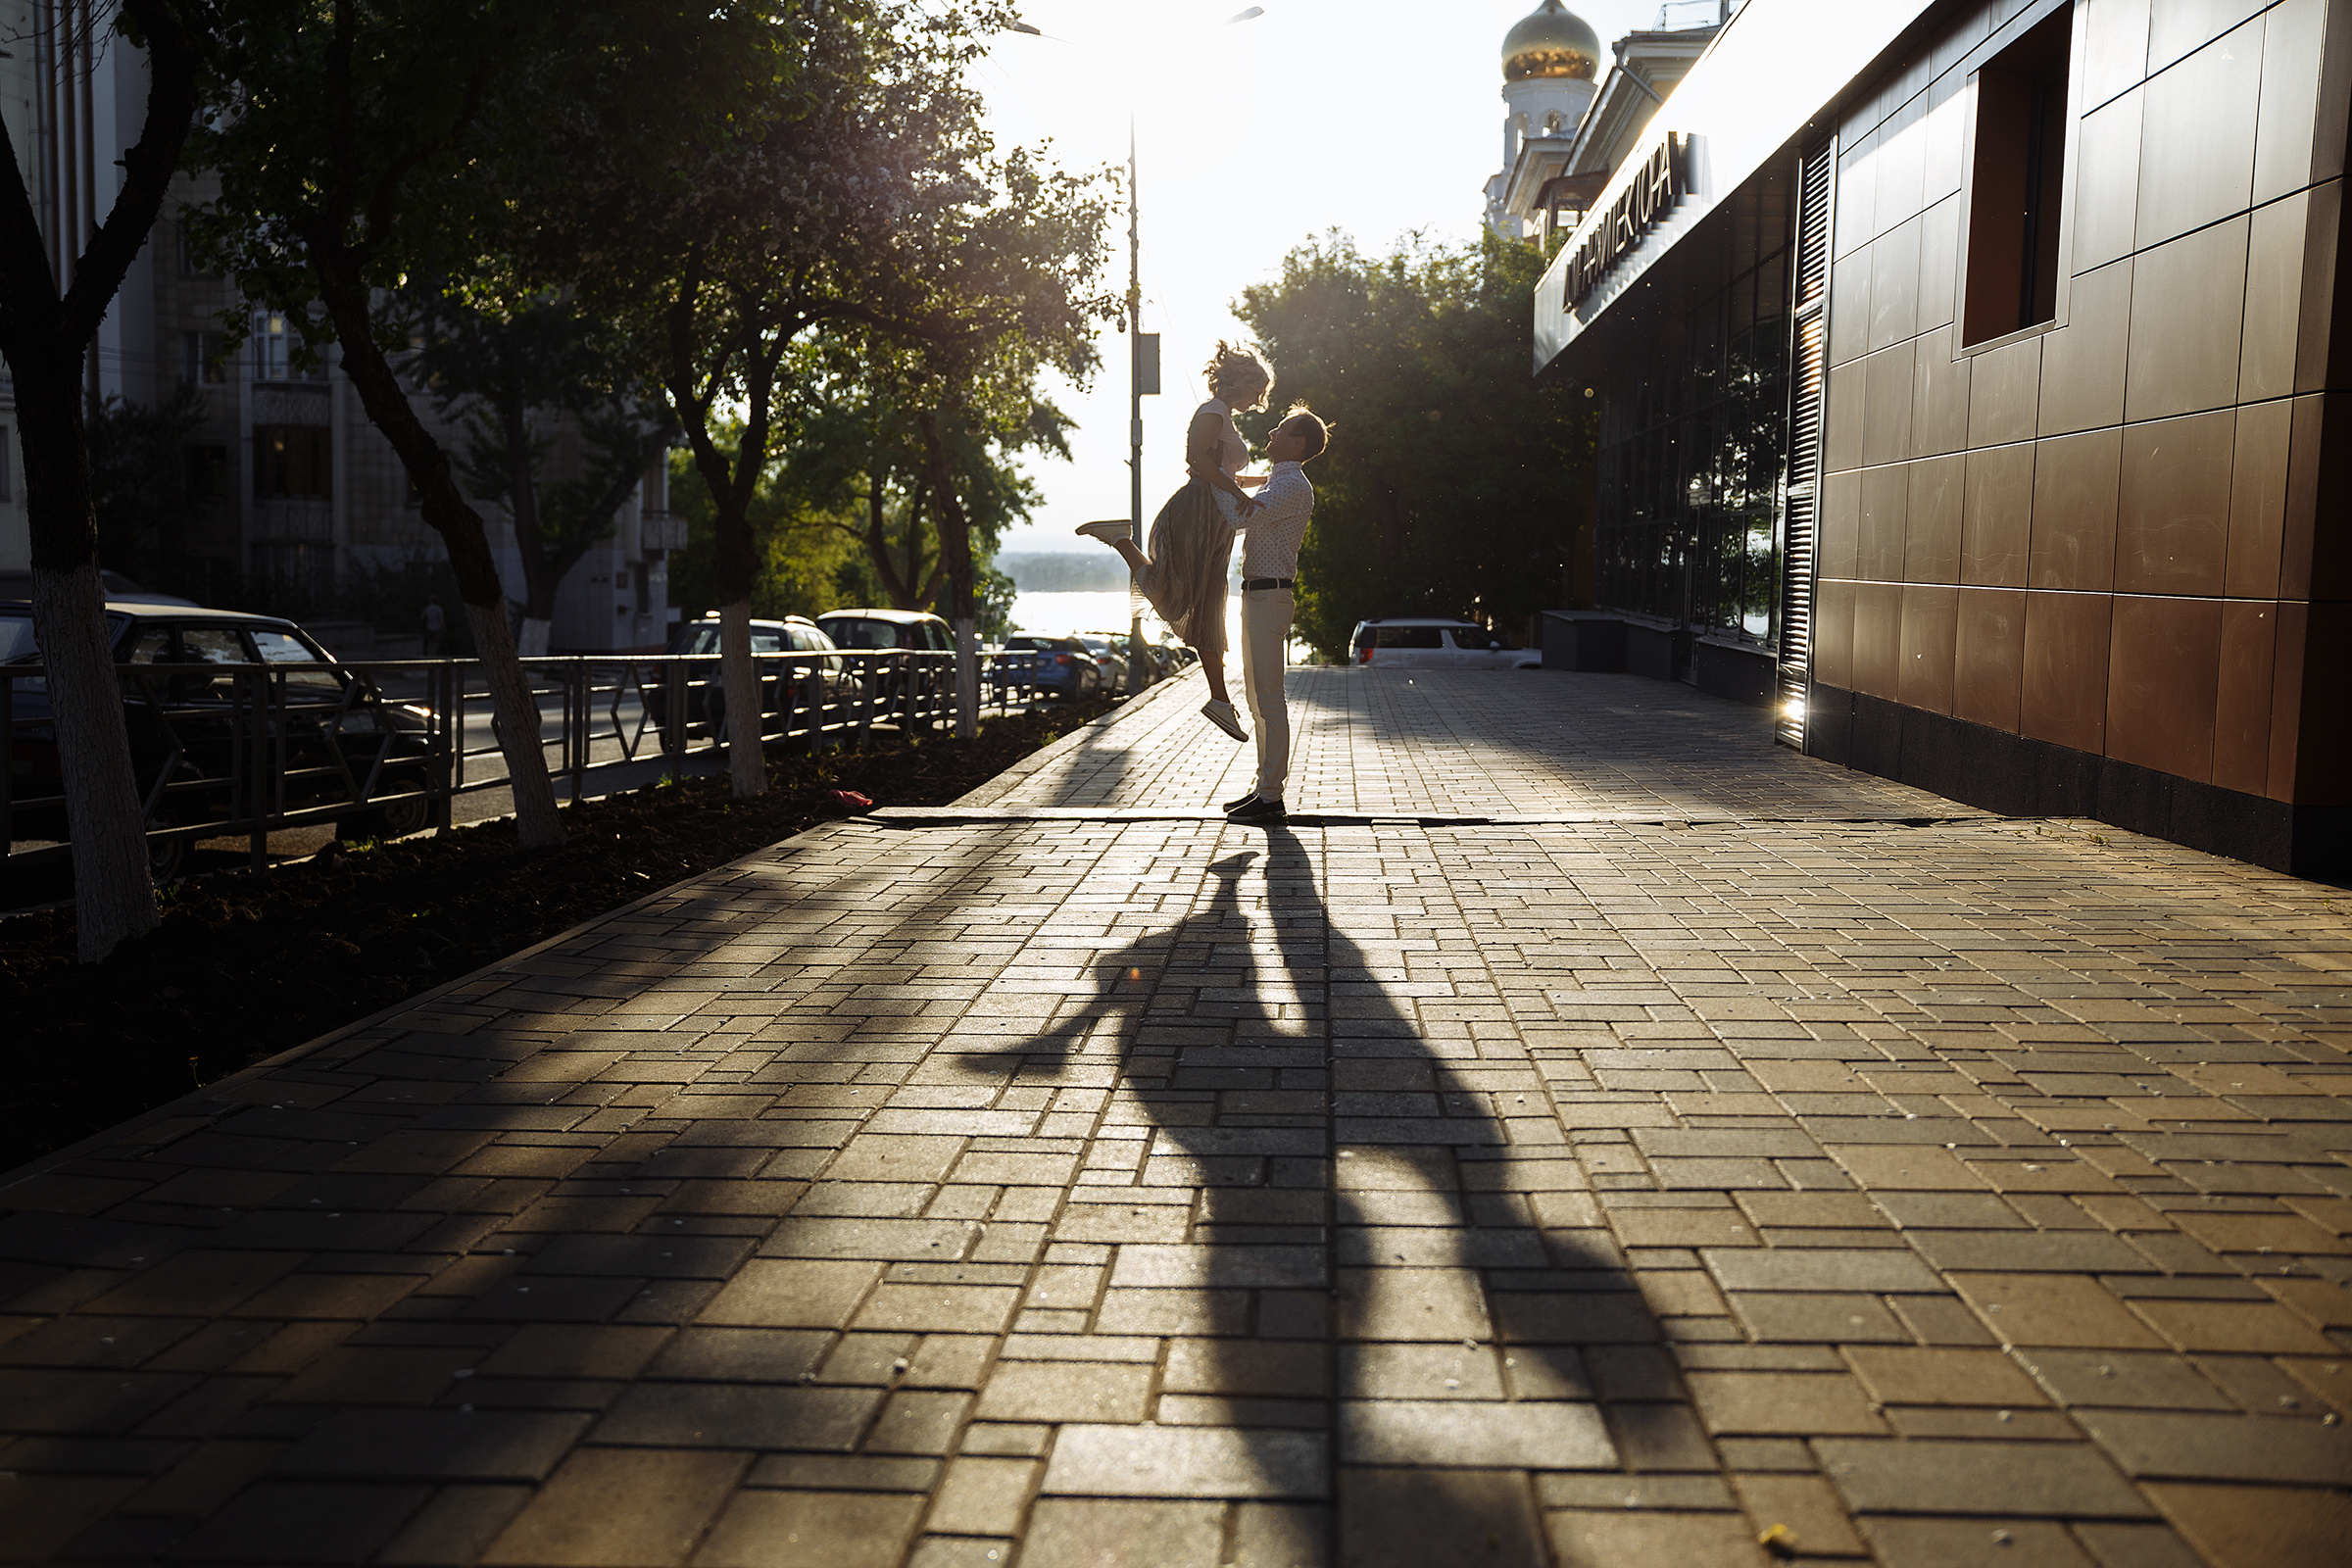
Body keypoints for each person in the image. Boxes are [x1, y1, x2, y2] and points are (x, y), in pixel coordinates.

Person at [1077, 341, 1273, 742]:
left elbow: (1223, 472)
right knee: (1183, 600)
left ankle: (1219, 700)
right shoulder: (1212, 412)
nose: (1260, 400)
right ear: (1244, 382)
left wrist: (1269, 482)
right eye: (1259, 390)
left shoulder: (1224, 417)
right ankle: (1120, 540)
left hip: (1215, 521)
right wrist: (1239, 494)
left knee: (1206, 606)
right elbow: (1198, 463)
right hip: (1197, 514)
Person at [1221, 403, 1328, 826]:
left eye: (1279, 430)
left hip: (1270, 598)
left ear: (1297, 443)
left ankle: (1271, 796)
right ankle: (1265, 788)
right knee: (1257, 697)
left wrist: (1215, 480)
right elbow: (1248, 491)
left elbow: (1236, 515)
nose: (1270, 435)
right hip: (1258, 597)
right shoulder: (1281, 481)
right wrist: (1222, 477)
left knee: (1268, 698)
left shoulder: (1293, 486)